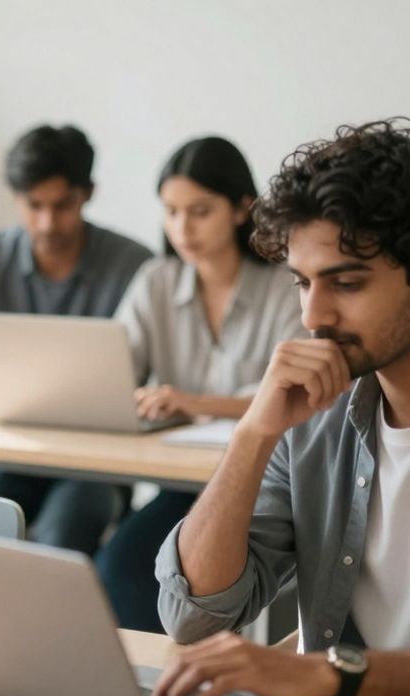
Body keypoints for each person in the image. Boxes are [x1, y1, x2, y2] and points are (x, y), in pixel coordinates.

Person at [152, 120, 410, 696]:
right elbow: (194, 614)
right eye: (301, 283)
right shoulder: (314, 415)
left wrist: (331, 674)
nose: (314, 315)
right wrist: (253, 433)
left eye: (346, 283)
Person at [95, 137, 304, 632]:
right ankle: (155, 685)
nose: (182, 227)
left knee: (129, 568)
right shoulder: (156, 281)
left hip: (262, 482)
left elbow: (295, 390)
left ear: (240, 209)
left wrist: (192, 402)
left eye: (199, 211)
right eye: (171, 211)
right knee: (119, 567)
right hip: (182, 485)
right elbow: (112, 371)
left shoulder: (288, 285)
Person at [0, 124, 152, 555]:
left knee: (65, 529)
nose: (47, 223)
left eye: (62, 205)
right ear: (15, 197)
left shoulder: (135, 265)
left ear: (88, 193)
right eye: (34, 206)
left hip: (99, 464)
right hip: (12, 452)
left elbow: (147, 375)